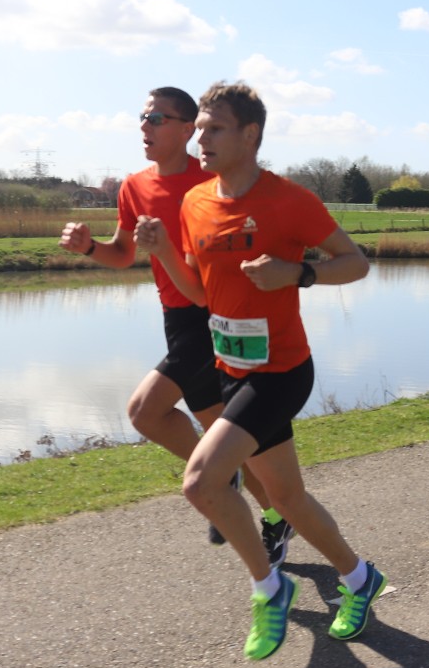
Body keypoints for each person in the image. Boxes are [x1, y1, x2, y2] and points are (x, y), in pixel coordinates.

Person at [136, 80, 385, 661]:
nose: (202, 139)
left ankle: (269, 588)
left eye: (215, 128)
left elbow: (356, 263)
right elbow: (201, 293)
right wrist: (164, 251)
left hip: (281, 372)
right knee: (287, 497)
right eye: (199, 128)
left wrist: (298, 273)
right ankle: (359, 578)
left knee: (201, 482)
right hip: (231, 367)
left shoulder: (289, 201)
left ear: (250, 134)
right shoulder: (197, 202)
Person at [59, 86, 295, 565]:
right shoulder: (134, 186)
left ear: (188, 130)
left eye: (156, 118)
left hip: (216, 317)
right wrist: (89, 247)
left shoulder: (210, 179)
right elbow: (123, 253)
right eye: (142, 116)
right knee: (227, 436)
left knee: (145, 411)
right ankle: (271, 512)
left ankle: (230, 483)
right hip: (176, 317)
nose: (144, 126)